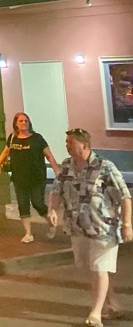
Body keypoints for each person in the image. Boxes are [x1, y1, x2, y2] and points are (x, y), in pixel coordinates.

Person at [48, 128, 132, 327]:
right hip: (77, 228)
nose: (66, 145)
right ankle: (112, 304)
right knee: (89, 267)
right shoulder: (67, 166)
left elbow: (124, 196)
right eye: (66, 142)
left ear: (83, 145)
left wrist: (127, 224)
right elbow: (57, 190)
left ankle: (95, 314)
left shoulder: (104, 166)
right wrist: (52, 210)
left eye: (70, 142)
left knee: (100, 268)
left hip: (103, 227)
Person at [0, 111, 59, 242]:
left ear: (29, 123)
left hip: (37, 177)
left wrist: (56, 169)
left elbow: (48, 155)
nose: (23, 123)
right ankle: (28, 233)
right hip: (19, 178)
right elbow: (5, 152)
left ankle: (50, 220)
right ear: (16, 124)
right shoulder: (13, 138)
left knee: (37, 202)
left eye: (26, 121)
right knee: (22, 204)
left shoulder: (37, 138)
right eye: (20, 121)